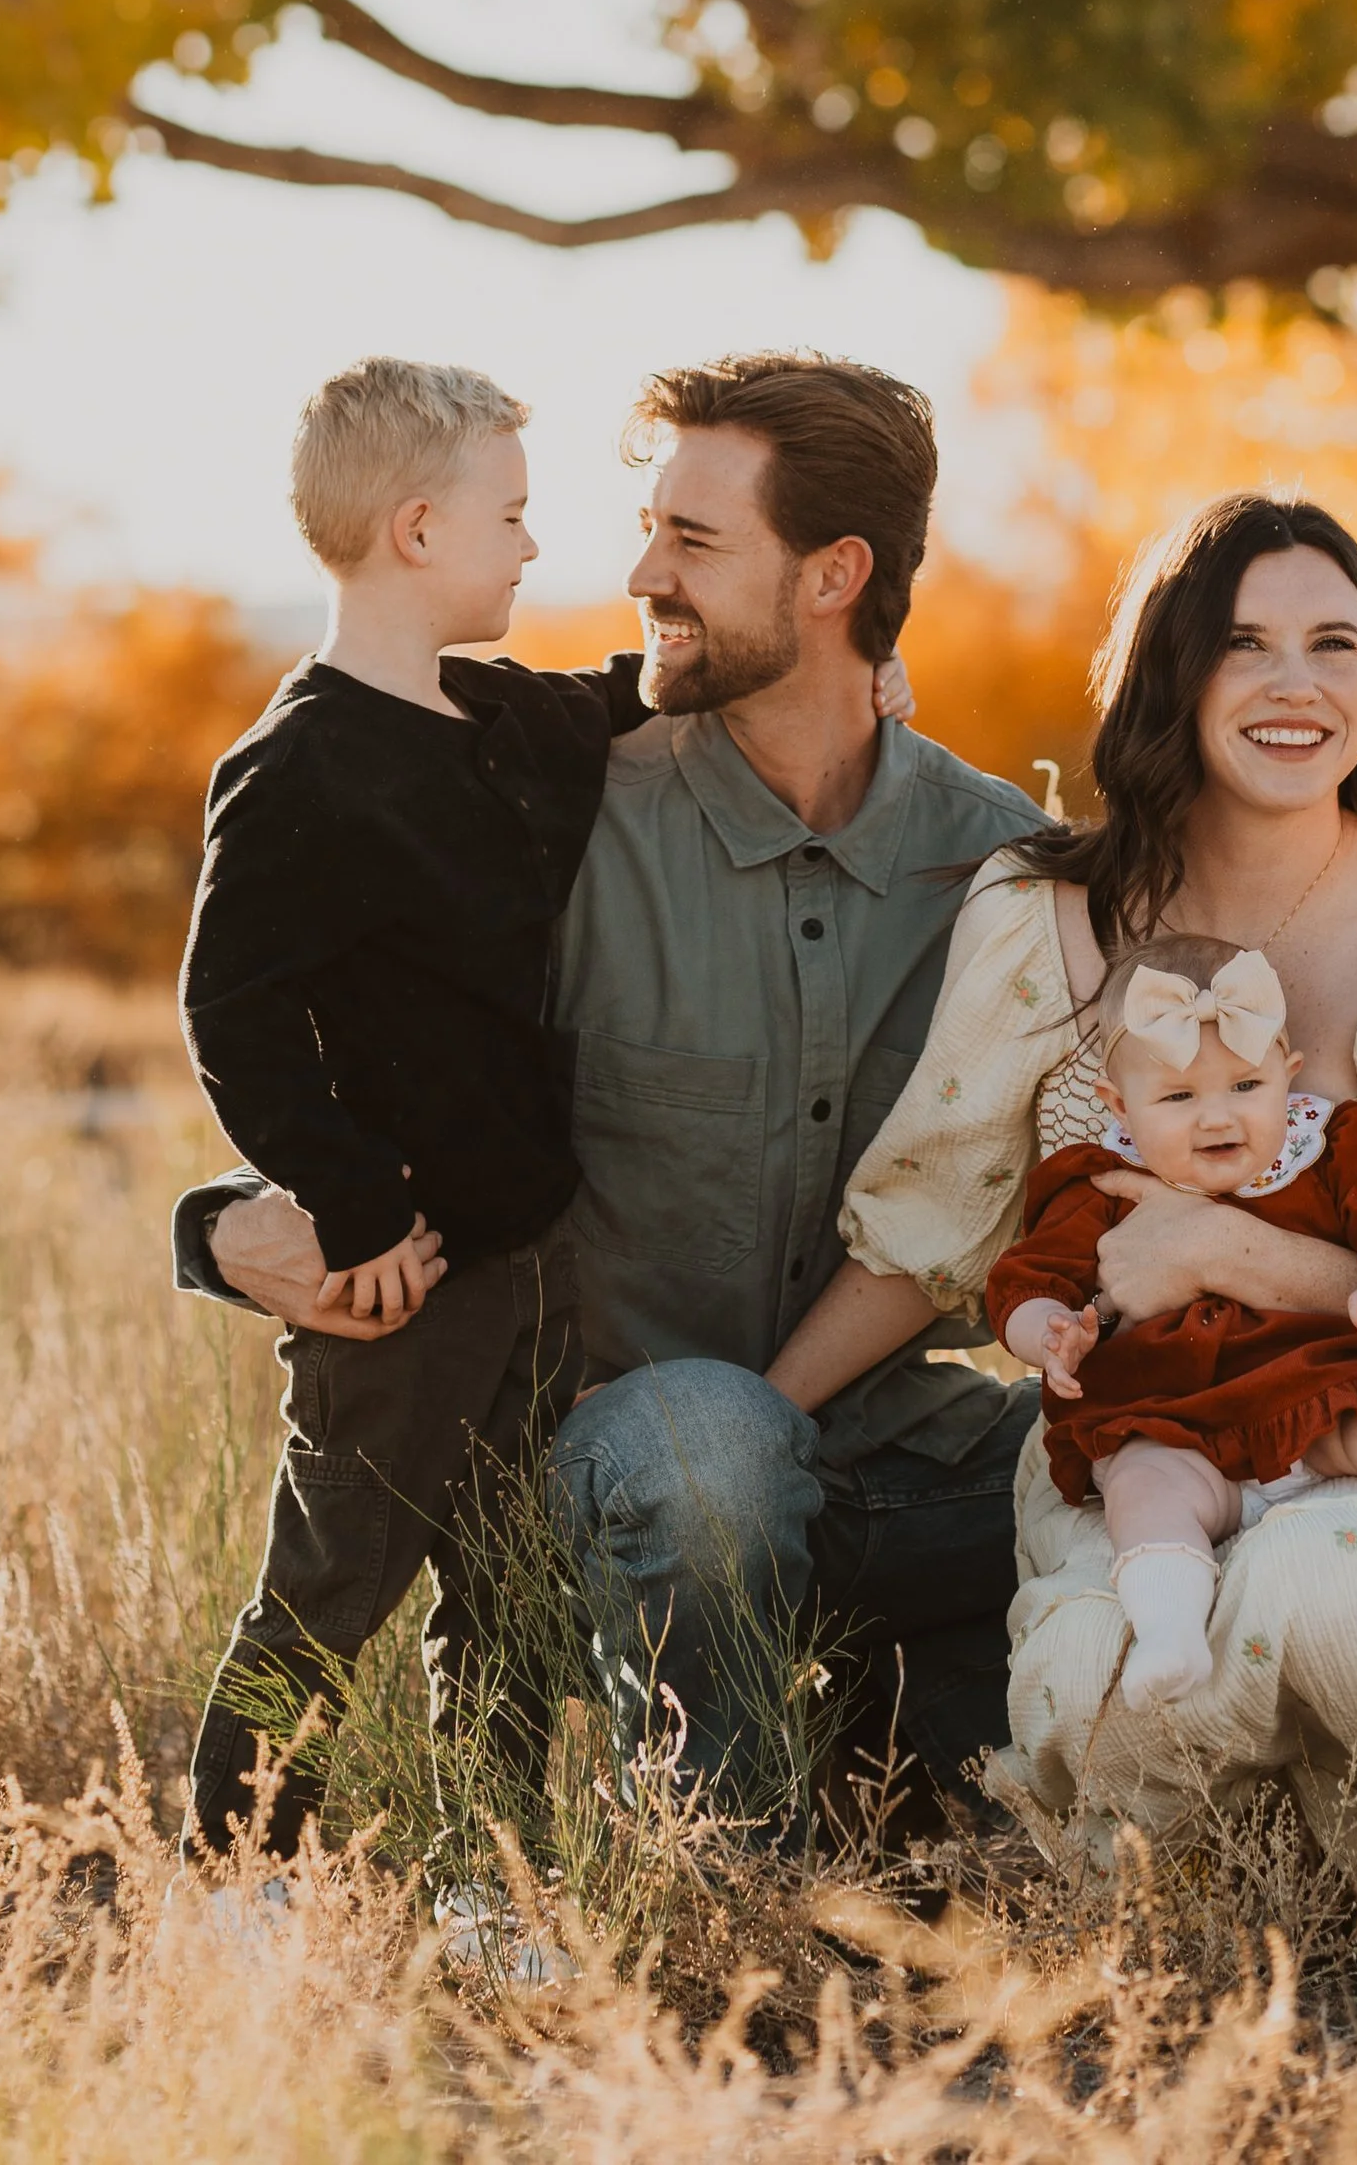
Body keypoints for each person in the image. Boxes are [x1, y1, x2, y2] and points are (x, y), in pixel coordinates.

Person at [769, 492, 1357, 1931]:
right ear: (1169, 670)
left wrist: (1239, 1253)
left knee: (1321, 1581)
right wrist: (763, 1426)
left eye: (1335, 643)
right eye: (1244, 643)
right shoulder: (1043, 913)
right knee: (1127, 1662)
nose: (1296, 682)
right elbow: (925, 1231)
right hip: (1151, 1462)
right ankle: (1289, 1872)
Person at [174, 351, 1039, 1819]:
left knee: (1141, 1468)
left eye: (692, 540)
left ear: (838, 576)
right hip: (615, 1460)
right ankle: (713, 1851)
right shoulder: (548, 811)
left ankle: (898, 1771)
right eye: (650, 524)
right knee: (673, 1471)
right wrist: (223, 1226)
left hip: (879, 1448)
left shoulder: (999, 862)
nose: (636, 568)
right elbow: (330, 1028)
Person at [180, 355, 652, 1861]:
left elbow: (635, 693)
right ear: (417, 528)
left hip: (536, 1263)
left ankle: (487, 1884)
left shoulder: (504, 717)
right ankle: (241, 1886)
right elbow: (230, 1014)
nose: (531, 544)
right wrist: (357, 1203)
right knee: (329, 1593)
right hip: (404, 1280)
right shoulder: (300, 762)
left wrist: (853, 669)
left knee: (515, 1599)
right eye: (511, 515)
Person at [988, 935, 1357, 1705]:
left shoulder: (1332, 1145)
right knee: (1140, 1484)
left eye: (1245, 1085)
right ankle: (1171, 1635)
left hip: (1323, 1396)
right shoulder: (1099, 1185)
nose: (1217, 1118)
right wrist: (1053, 1332)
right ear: (1119, 1106)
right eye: (1179, 1098)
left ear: (1287, 1073)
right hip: (1174, 1420)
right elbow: (1025, 1285)